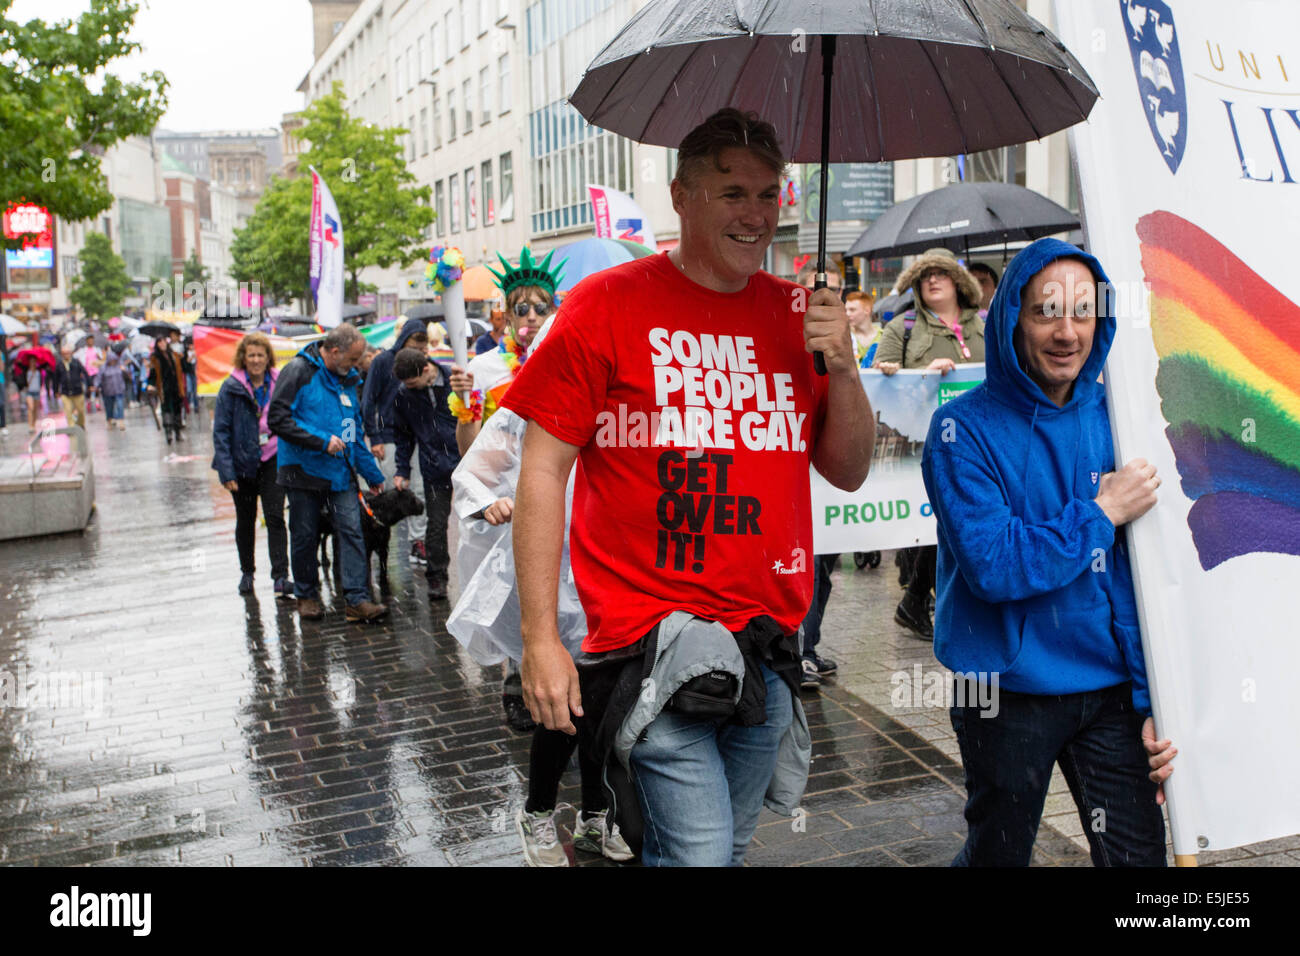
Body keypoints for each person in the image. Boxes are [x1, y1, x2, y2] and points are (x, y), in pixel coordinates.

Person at [503, 108, 874, 866]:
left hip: (768, 640)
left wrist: (843, 366)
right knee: (702, 855)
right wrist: (539, 639)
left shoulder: (800, 315)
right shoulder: (604, 305)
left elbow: (848, 469)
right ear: (681, 197)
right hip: (649, 640)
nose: (756, 215)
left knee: (720, 850)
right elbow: (542, 468)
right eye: (732, 192)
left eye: (768, 194)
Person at [921, 238, 1176, 867]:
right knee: (998, 855)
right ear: (1013, 317)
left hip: (1113, 691)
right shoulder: (961, 431)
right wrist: (1100, 514)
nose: (1067, 332)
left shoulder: (1124, 418)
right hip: (1005, 694)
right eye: (1047, 311)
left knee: (1139, 861)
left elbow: (1147, 577)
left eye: (1083, 312)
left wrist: (1157, 700)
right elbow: (994, 565)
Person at [446, 318, 633, 866]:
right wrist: (490, 502)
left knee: (608, 707)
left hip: (615, 573)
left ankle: (597, 816)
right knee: (565, 705)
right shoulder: (530, 407)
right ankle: (538, 813)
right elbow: (473, 471)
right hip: (557, 578)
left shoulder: (626, 408)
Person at [448, 246, 565, 734]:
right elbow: (471, 451)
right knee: (511, 590)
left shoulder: (567, 361)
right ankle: (516, 680)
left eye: (541, 307)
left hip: (557, 494)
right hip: (503, 503)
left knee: (555, 588)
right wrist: (466, 409)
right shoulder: (484, 369)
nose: (531, 317)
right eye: (522, 308)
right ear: (507, 314)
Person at [874, 247, 986, 639]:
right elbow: (882, 388)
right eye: (924, 276)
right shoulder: (901, 328)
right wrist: (922, 373)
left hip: (982, 445)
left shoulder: (985, 325)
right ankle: (918, 597)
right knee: (938, 519)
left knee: (962, 521)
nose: (932, 280)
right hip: (926, 447)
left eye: (940, 273)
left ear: (958, 281)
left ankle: (923, 600)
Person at [268, 323, 388, 623]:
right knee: (305, 534)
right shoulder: (298, 371)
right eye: (352, 359)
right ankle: (306, 595)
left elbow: (352, 432)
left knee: (352, 530)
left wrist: (372, 474)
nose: (356, 366)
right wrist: (321, 441)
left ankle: (356, 599)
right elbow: (278, 418)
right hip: (302, 471)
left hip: (339, 473)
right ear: (334, 352)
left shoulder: (348, 380)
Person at [792, 261, 844, 690]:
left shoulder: (840, 345)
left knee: (822, 571)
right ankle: (798, 652)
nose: (825, 300)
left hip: (828, 486)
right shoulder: (785, 335)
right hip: (795, 489)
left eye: (834, 292)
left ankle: (809, 644)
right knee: (803, 568)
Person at [212, 332, 290, 598]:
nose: (256, 360)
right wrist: (226, 471)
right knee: (245, 520)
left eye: (260, 355)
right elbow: (221, 431)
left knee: (275, 517)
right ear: (243, 359)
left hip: (272, 457)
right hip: (241, 462)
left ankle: (280, 576)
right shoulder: (231, 387)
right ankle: (247, 572)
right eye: (251, 355)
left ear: (268, 357)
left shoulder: (280, 382)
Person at [390, 347, 460, 600]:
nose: (409, 387)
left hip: (465, 459)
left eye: (413, 383)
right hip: (433, 465)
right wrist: (402, 469)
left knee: (480, 519)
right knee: (437, 522)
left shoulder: (455, 380)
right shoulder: (404, 395)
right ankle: (437, 578)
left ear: (427, 369)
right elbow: (403, 436)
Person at [361, 317, 431, 567]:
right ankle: (382, 537)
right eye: (414, 346)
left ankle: (418, 540)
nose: (417, 351)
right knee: (395, 489)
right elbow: (368, 400)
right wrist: (375, 437)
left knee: (418, 489)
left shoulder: (424, 364)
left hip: (418, 435)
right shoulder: (382, 361)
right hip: (389, 434)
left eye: (422, 347)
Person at [147, 336, 187, 444]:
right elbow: (152, 374)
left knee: (177, 409)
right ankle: (168, 433)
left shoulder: (174, 355)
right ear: (157, 345)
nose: (162, 344)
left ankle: (178, 432)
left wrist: (183, 358)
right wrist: (150, 385)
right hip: (164, 387)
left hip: (176, 386)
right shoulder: (155, 358)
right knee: (166, 410)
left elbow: (183, 368)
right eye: (160, 342)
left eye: (164, 341)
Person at [54, 340, 90, 431]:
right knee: (68, 410)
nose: (66, 355)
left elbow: (85, 373)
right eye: (64, 354)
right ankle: (72, 427)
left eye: (67, 353)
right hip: (65, 392)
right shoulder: (59, 364)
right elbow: (56, 379)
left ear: (71, 353)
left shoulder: (76, 362)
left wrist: (90, 384)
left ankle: (80, 424)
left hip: (77, 390)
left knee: (80, 410)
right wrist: (56, 391)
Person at [845, 291, 882, 366]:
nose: (847, 314)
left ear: (867, 310)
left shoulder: (883, 336)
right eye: (846, 310)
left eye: (852, 310)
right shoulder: (845, 336)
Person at [99, 349, 128, 430]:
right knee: (109, 407)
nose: (112, 361)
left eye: (114, 360)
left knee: (120, 405)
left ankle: (121, 422)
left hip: (119, 390)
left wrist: (124, 370)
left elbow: (128, 375)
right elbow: (99, 378)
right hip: (108, 391)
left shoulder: (119, 365)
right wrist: (95, 386)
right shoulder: (104, 368)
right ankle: (109, 421)